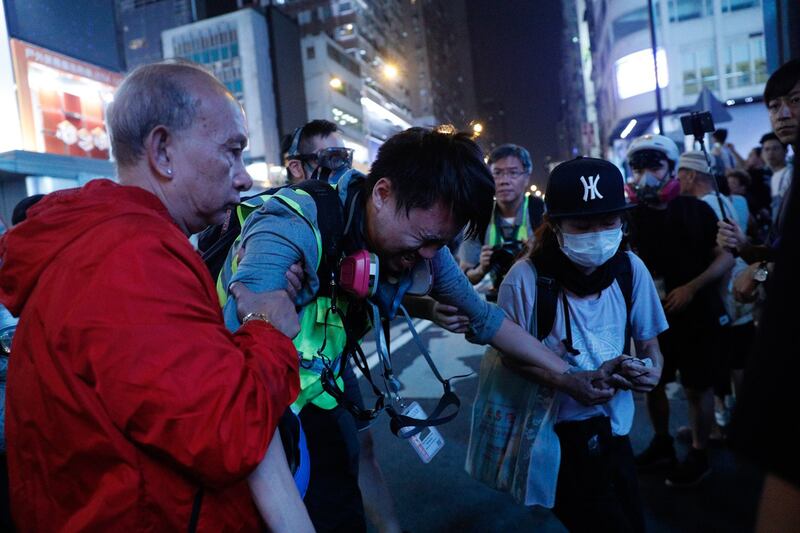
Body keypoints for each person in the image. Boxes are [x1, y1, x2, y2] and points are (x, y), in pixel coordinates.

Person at [219, 126, 620, 532]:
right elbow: (243, 390)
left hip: (322, 375)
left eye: (441, 243)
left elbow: (486, 319)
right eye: (426, 241)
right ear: (382, 193)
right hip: (256, 388)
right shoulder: (290, 225)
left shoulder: (425, 241)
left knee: (350, 473)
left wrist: (570, 377)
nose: (430, 258)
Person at [0, 61, 308, 531]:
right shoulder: (130, 259)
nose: (245, 178)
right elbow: (226, 434)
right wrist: (268, 332)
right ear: (163, 150)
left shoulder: (115, 245)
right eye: (233, 151)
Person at [466, 157, 666, 533]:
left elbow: (649, 342)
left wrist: (652, 370)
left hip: (616, 426)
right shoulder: (524, 280)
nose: (597, 234)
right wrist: (567, 381)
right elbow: (510, 358)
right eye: (582, 225)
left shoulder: (630, 268)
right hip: (554, 432)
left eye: (608, 223)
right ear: (555, 225)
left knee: (631, 519)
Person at [625, 136, 735, 488]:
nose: (646, 177)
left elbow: (726, 256)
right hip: (652, 319)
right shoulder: (629, 218)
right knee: (652, 382)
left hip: (696, 315)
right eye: (638, 169)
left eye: (654, 167)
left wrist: (692, 287)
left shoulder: (697, 210)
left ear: (672, 169)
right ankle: (662, 444)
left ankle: (700, 452)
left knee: (696, 387)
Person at [459, 143, 545, 296]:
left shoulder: (541, 212)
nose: (504, 181)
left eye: (513, 173)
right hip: (501, 299)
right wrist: (481, 269)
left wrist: (537, 255)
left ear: (526, 177)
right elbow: (464, 277)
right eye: (497, 173)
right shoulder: (480, 217)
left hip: (540, 296)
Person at [281, 119, 354, 184]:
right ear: (296, 168)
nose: (343, 169)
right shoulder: (278, 199)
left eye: (345, 158)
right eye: (332, 159)